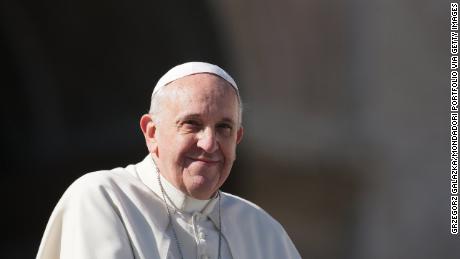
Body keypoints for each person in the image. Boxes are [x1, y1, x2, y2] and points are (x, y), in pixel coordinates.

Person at [36, 62, 301, 259]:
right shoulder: (104, 198)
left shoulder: (263, 230)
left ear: (238, 139)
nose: (209, 144)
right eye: (192, 124)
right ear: (152, 133)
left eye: (224, 128)